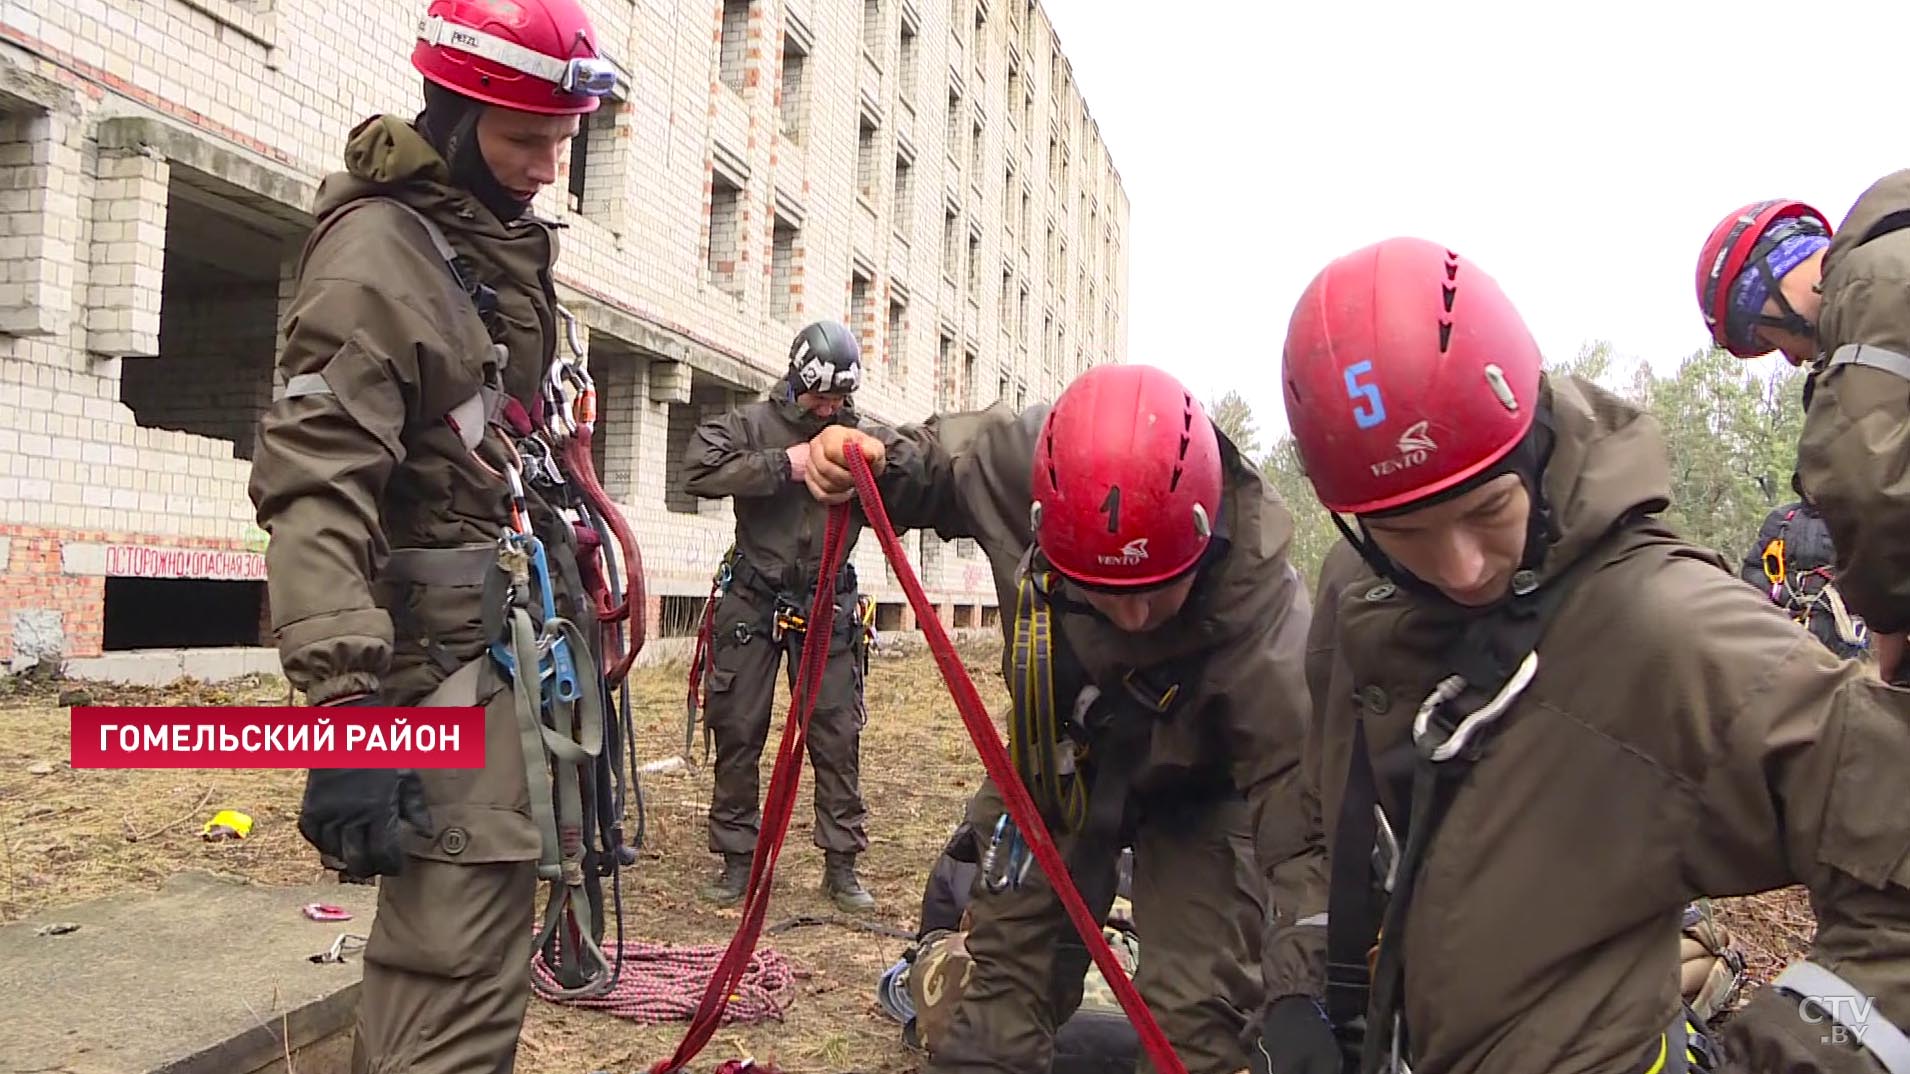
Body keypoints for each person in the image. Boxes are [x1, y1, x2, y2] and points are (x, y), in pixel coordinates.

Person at [1285, 235, 1910, 1074]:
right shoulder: (1357, 592)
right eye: (1407, 534)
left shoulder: (1668, 625)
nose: (1461, 566)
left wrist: (1800, 1050)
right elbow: (1320, 825)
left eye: (1487, 510)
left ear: (1531, 451)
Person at [246, 1, 631, 1069]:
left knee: (486, 964)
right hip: (438, 674)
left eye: (563, 141)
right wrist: (347, 722)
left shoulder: (483, 245)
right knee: (447, 981)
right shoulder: (378, 255)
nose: (548, 166)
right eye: (524, 140)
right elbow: (315, 485)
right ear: (453, 117)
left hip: (502, 658)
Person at [801, 363, 1336, 1074]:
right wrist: (872, 460)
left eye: (1158, 590)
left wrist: (1305, 996)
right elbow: (937, 466)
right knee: (999, 992)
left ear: (1204, 539)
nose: (1136, 617)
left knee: (1197, 1024)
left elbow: (1305, 830)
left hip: (1201, 797)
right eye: (1109, 594)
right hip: (1058, 758)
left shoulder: (1264, 603)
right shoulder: (1028, 467)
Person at [681, 319, 878, 912]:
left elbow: (911, 480)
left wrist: (878, 470)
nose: (829, 409)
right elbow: (697, 468)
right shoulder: (749, 424)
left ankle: (841, 865)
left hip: (828, 606)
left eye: (839, 400)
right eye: (821, 397)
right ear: (797, 380)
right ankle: (737, 860)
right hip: (753, 602)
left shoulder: (859, 436)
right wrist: (780, 467)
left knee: (837, 734)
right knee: (738, 728)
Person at [1694, 188, 1910, 682]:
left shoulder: (1867, 303)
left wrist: (1891, 634)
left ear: (1766, 284)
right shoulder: (1895, 250)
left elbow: (1871, 488)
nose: (1791, 359)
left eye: (1769, 339)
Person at [1738, 498, 1868, 660]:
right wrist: (1781, 593)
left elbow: (1881, 579)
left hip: (1842, 637)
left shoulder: (1863, 521)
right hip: (1783, 635)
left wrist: (1836, 599)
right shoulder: (1782, 519)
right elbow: (1751, 570)